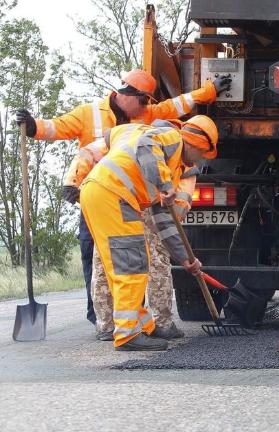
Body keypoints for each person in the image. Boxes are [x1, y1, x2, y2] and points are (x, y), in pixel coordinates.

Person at [14, 69, 230, 331]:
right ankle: (109, 323)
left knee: (128, 261)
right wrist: (69, 177)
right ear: (128, 94)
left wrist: (209, 91)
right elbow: (67, 135)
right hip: (106, 194)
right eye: (144, 100)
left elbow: (176, 104)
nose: (148, 106)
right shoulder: (95, 115)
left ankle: (133, 323)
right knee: (108, 261)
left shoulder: (146, 118)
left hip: (125, 197)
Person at [79, 115, 218, 351]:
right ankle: (127, 335)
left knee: (124, 266)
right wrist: (164, 185)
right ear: (196, 144)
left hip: (99, 194)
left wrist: (186, 259)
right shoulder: (172, 138)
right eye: (203, 154)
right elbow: (146, 144)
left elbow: (165, 223)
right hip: (114, 195)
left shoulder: (169, 167)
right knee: (132, 266)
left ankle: (142, 326)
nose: (201, 160)